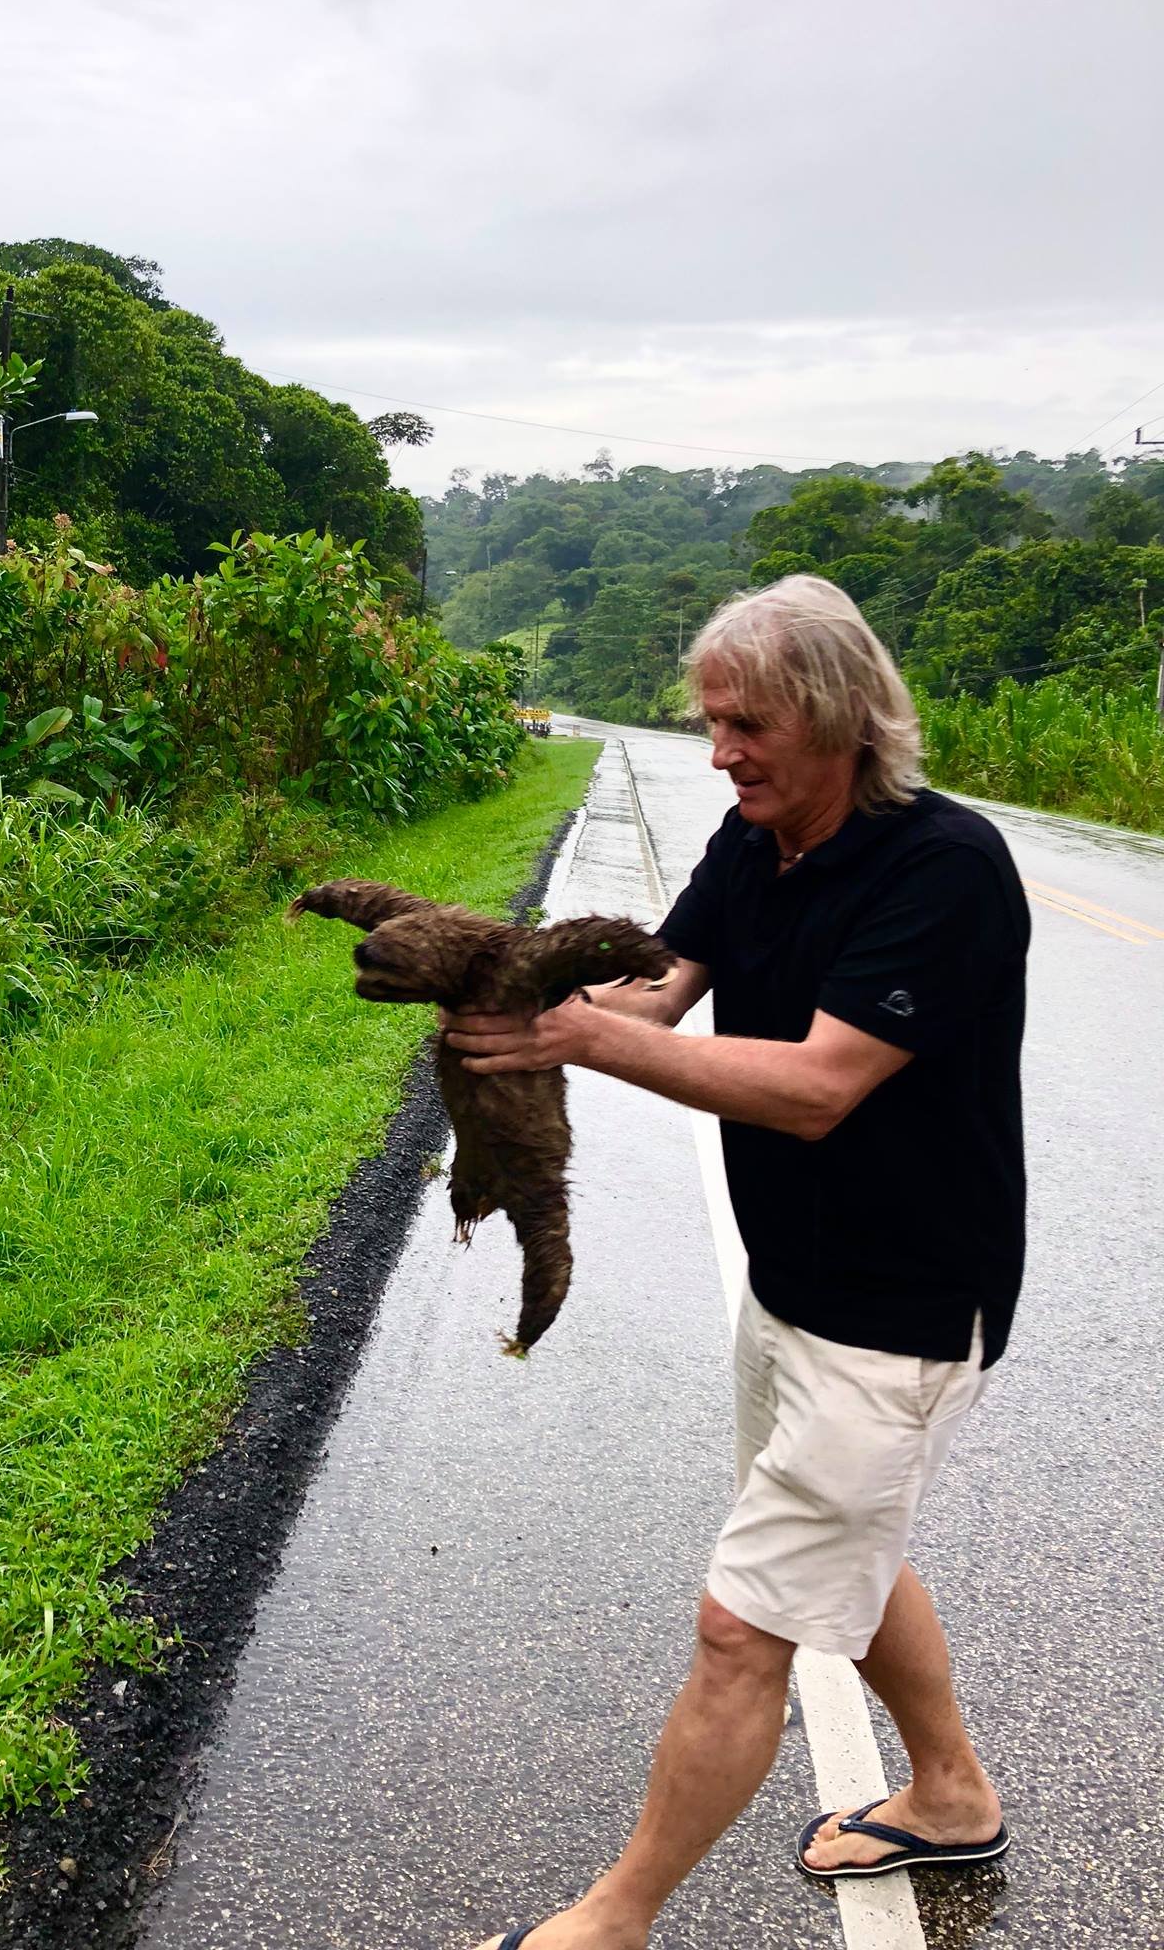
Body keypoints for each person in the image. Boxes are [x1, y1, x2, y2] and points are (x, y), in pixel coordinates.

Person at [445, 575, 1029, 1950]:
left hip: (901, 1309)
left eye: (746, 725)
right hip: (792, 1279)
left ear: (836, 715)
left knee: (742, 1626)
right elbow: (663, 986)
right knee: (846, 1549)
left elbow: (824, 1083)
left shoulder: (943, 868)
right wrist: (541, 1003)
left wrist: (586, 1045)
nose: (722, 754)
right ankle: (950, 1794)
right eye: (711, 726)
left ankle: (614, 1919)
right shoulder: (754, 838)